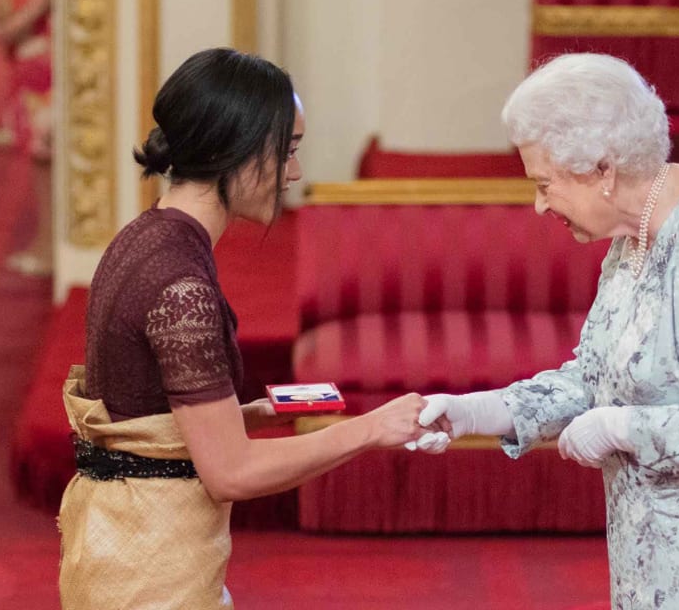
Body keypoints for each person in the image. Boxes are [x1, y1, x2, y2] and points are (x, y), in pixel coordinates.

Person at [410, 53, 679, 608]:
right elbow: (596, 378)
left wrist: (621, 427)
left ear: (601, 170)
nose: (539, 205)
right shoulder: (633, 234)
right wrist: (475, 411)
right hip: (662, 557)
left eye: (546, 183)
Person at [58, 48, 431, 609]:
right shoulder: (181, 285)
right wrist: (372, 428)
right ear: (234, 149)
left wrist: (256, 413)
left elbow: (145, 418)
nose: (295, 173)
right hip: (153, 571)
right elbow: (230, 472)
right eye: (288, 151)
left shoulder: (145, 236)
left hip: (122, 549)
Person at [0, 0, 53, 276]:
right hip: (26, 71)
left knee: (45, 160)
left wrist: (5, 30)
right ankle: (45, 241)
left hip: (45, 74)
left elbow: (23, 19)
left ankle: (49, 245)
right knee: (38, 160)